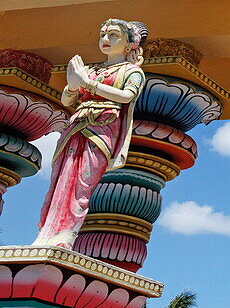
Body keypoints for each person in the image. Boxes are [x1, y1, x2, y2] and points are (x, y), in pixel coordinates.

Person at [34, 19, 148, 249]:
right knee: (60, 179)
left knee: (82, 182)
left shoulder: (132, 71)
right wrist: (73, 86)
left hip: (102, 128)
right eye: (103, 35)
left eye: (114, 35)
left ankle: (66, 232)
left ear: (129, 44)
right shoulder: (92, 70)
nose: (105, 40)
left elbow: (127, 96)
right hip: (75, 126)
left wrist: (88, 84)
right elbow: (67, 100)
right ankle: (47, 231)